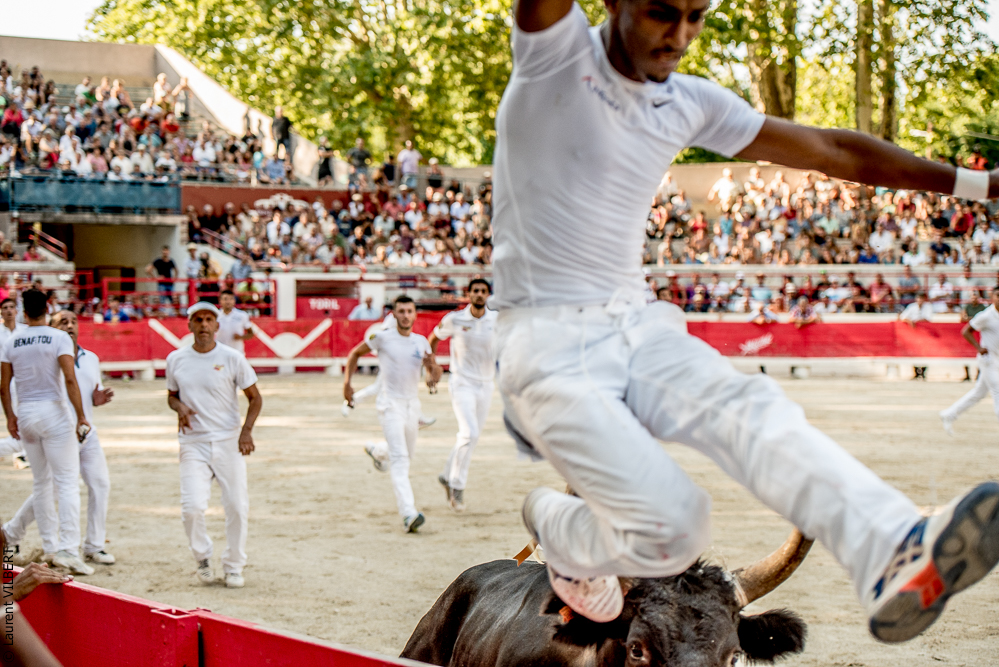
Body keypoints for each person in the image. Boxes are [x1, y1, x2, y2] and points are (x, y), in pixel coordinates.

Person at [492, 0, 999, 641]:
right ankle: (554, 525)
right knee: (678, 527)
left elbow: (831, 149)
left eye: (696, 16)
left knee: (755, 409)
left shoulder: (690, 100)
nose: (679, 35)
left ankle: (892, 547)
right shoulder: (554, 57)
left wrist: (983, 187)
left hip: (635, 323)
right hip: (544, 343)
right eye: (659, 13)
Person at [2, 310, 116, 567]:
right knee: (52, 487)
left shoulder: (91, 358)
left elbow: (88, 392)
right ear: (50, 328)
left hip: (86, 431)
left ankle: (94, 546)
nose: (69, 325)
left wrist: (95, 401)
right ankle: (12, 532)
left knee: (99, 484)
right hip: (59, 432)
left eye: (73, 321)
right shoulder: (44, 354)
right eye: (62, 321)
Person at [166, 302, 262, 588]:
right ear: (190, 325)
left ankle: (234, 564)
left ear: (218, 326)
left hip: (228, 439)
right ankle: (202, 556)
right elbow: (171, 395)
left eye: (209, 320)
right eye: (198, 320)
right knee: (192, 507)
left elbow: (255, 397)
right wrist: (179, 407)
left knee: (236, 504)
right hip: (193, 441)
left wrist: (246, 432)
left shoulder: (232, 357)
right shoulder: (176, 359)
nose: (204, 325)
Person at [0, 289, 91, 575]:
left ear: (23, 311)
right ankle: (68, 548)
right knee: (66, 482)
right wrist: (81, 415)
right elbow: (70, 379)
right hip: (53, 410)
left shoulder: (12, 340)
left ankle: (50, 546)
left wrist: (10, 417)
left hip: (26, 412)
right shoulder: (59, 337)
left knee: (41, 482)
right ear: (47, 308)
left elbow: (3, 386)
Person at [344, 296, 441, 532]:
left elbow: (432, 378)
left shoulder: (421, 343)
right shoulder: (382, 337)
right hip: (389, 405)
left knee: (406, 453)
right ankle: (408, 514)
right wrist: (347, 383)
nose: (406, 315)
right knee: (401, 460)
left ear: (415, 314)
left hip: (412, 406)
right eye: (401, 311)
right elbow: (355, 353)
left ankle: (377, 451)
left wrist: (433, 372)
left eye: (410, 311)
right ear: (394, 314)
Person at [428, 279, 497, 512]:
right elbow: (433, 339)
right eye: (475, 291)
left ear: (488, 295)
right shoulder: (454, 319)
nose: (479, 295)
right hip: (461, 382)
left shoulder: (496, 320)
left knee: (470, 437)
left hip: (486, 384)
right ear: (468, 294)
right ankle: (457, 487)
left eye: (483, 291)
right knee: (469, 432)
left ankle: (447, 474)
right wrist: (432, 367)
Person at [940, 288, 999, 435]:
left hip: (996, 359)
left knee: (979, 393)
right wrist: (979, 348)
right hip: (988, 359)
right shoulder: (985, 315)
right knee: (998, 390)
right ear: (993, 297)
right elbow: (966, 331)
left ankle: (949, 414)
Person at [0, 297, 28, 468]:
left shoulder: (25, 331)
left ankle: (22, 453)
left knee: (21, 414)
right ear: (1, 312)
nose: (9, 310)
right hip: (3, 379)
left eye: (12, 307)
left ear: (17, 311)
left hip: (22, 379)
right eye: (5, 308)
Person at [216, 289, 253, 354]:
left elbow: (251, 333)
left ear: (234, 301)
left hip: (237, 353)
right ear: (220, 301)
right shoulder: (216, 316)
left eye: (230, 299)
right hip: (220, 353)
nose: (228, 302)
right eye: (225, 299)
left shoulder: (242, 315)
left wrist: (241, 337)